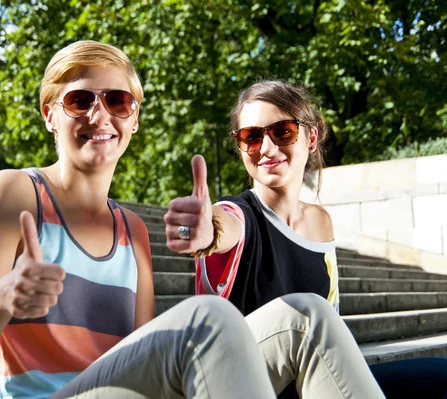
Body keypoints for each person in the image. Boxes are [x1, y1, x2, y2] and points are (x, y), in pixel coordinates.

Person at [0, 40, 283, 399]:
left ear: (133, 119)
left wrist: (205, 233)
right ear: (49, 115)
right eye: (79, 100)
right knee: (211, 319)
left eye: (117, 101)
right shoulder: (12, 194)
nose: (99, 115)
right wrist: (3, 297)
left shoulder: (132, 230)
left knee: (306, 319)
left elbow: (143, 361)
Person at [164, 80, 390, 398]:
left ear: (311, 138)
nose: (266, 149)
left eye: (282, 131)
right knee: (306, 315)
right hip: (229, 383)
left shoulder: (321, 223)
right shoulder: (236, 215)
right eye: (251, 137)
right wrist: (200, 231)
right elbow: (218, 227)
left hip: (299, 384)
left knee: (436, 375)